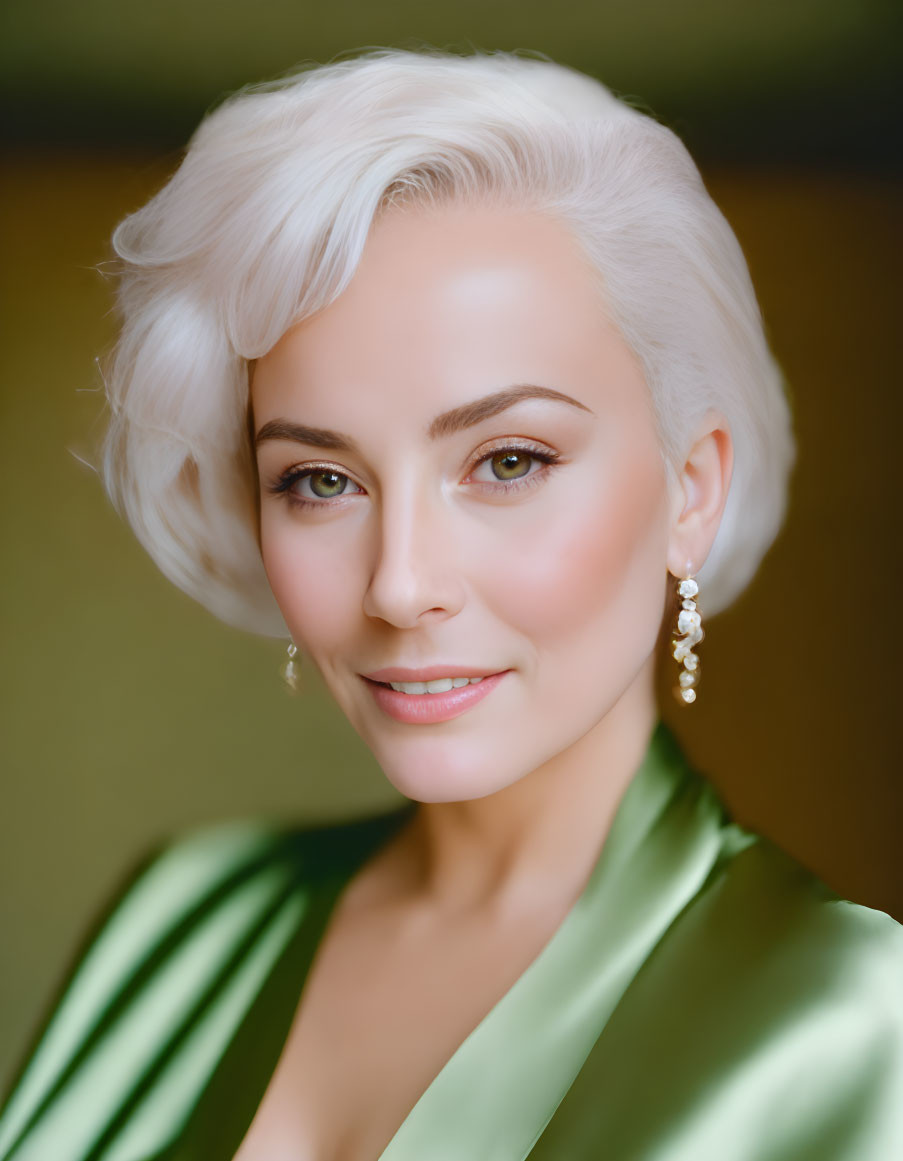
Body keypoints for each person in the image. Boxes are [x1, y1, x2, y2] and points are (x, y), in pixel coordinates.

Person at [0, 47, 900, 1161]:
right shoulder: (188, 918)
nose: (400, 584)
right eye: (320, 480)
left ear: (690, 490)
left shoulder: (846, 1018)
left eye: (508, 461)